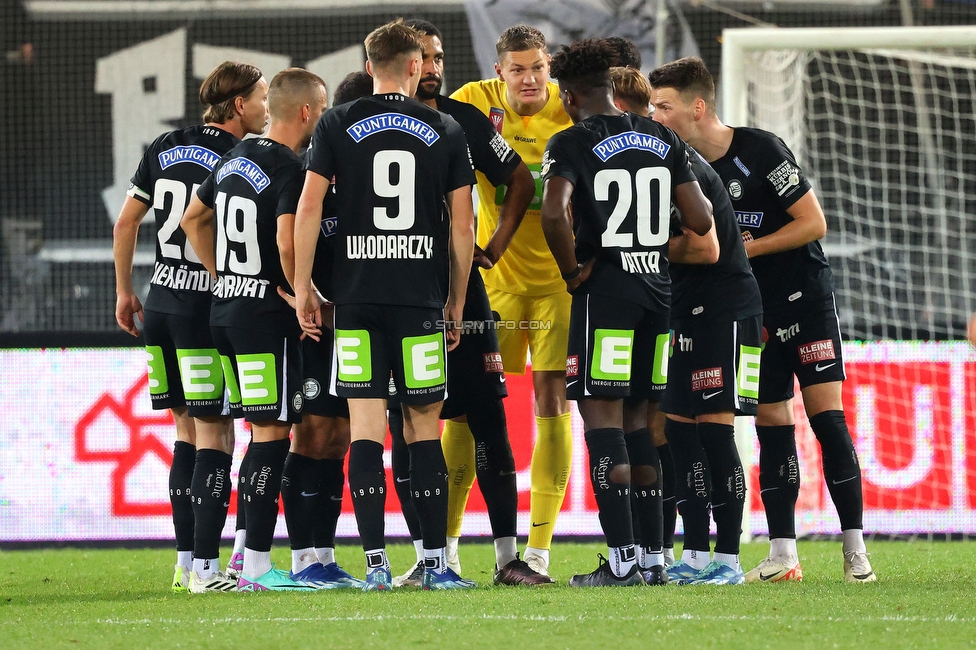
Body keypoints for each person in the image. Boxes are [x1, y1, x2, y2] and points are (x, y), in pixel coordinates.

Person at [648, 56, 876, 583]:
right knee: (774, 426)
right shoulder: (678, 169)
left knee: (827, 420)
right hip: (753, 314)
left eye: (665, 106)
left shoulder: (760, 149)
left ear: (697, 106)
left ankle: (855, 550)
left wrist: (745, 248)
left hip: (804, 299)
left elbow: (813, 223)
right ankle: (782, 553)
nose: (656, 116)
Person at [292, 19, 477, 591]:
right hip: (418, 299)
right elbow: (463, 226)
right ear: (418, 65)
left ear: (369, 66)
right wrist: (456, 301)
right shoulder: (444, 126)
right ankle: (436, 564)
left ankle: (375, 564)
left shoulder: (336, 122)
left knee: (367, 426)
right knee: (423, 427)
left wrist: (305, 288)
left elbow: (307, 208)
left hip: (355, 300)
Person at [540, 39, 715, 587]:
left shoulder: (570, 140)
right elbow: (703, 219)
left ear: (568, 96)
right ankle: (654, 559)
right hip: (657, 297)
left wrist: (572, 271)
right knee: (643, 423)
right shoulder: (661, 135)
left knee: (602, 421)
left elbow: (552, 214)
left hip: (606, 296)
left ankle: (620, 561)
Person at [382, 18, 549, 587]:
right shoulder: (367, 121)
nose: (433, 68)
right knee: (406, 424)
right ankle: (430, 556)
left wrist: (493, 248)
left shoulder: (466, 119)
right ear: (404, 64)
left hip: (466, 295)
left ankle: (508, 559)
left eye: (438, 57)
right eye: (424, 59)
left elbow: (520, 181)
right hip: (398, 296)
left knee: (488, 420)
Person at [113, 61, 266, 593]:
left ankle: (184, 564)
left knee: (184, 429)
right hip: (205, 309)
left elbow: (127, 220)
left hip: (160, 305)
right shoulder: (239, 156)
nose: (267, 107)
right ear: (240, 104)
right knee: (217, 432)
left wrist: (123, 290)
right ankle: (207, 568)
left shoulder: (163, 146)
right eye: (263, 97)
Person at [181, 67, 329, 592]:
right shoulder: (291, 166)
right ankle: (259, 566)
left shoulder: (234, 158)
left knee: (224, 438)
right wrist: (299, 294)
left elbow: (190, 219)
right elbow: (287, 242)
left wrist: (222, 274)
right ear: (308, 112)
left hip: (223, 314)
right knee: (270, 436)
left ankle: (205, 566)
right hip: (264, 320)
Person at [450, 23, 574, 577]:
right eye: (517, 69)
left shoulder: (573, 111)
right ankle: (446, 550)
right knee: (466, 409)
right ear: (499, 71)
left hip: (558, 285)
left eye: (538, 68)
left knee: (553, 404)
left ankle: (539, 552)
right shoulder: (472, 103)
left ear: (550, 67)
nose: (529, 78)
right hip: (490, 281)